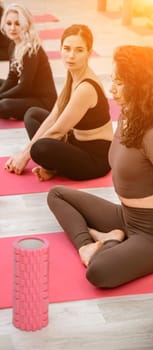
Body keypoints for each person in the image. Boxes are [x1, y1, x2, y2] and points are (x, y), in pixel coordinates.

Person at [47, 45, 153, 288]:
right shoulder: (127, 116)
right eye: (112, 80)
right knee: (57, 195)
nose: (111, 89)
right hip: (126, 216)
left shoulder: (150, 131)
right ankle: (92, 243)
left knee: (98, 272)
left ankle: (110, 242)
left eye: (120, 82)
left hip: (150, 232)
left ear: (139, 85)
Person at [5, 24, 113, 181]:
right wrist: (25, 152)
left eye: (79, 50)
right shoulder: (73, 76)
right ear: (60, 49)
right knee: (32, 114)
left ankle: (54, 166)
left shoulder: (86, 88)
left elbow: (58, 131)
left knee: (39, 148)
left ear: (89, 53)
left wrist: (24, 156)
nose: (71, 55)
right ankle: (54, 167)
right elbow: (54, 116)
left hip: (95, 159)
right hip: (76, 143)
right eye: (67, 48)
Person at [0, 3, 57, 120]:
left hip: (43, 102)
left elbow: (24, 86)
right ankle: (10, 101)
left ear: (25, 25)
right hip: (28, 92)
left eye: (17, 24)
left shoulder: (31, 49)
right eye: (9, 23)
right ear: (4, 25)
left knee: (2, 106)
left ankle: (10, 103)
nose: (12, 28)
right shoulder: (13, 45)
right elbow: (12, 78)